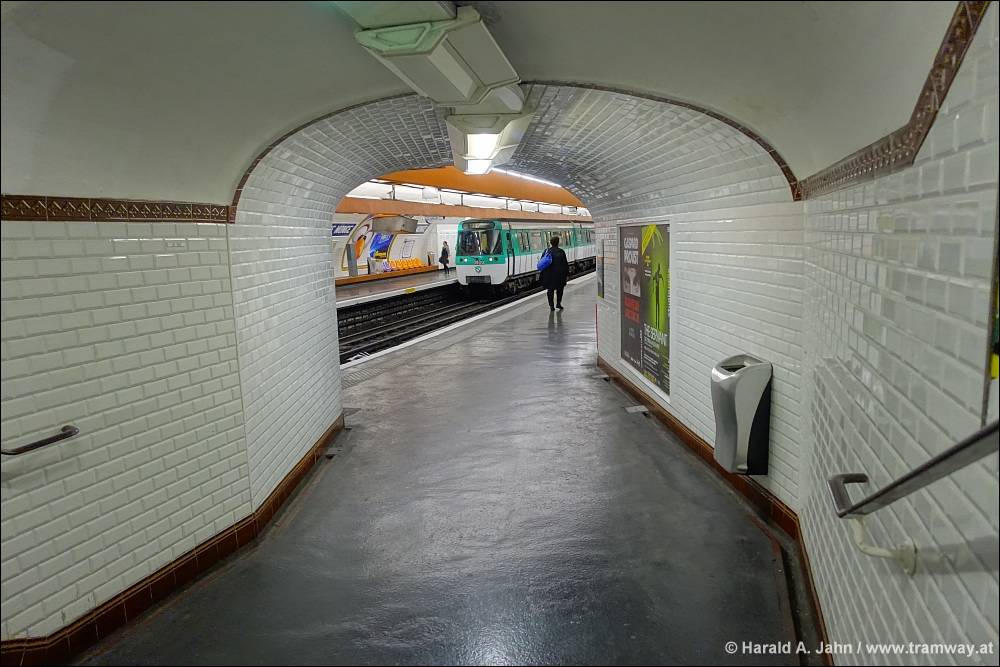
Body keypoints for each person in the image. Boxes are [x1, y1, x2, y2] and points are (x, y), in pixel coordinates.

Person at [540, 235, 569, 310]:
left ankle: (551, 306)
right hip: (559, 274)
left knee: (550, 290)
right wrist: (567, 274)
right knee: (560, 290)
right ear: (558, 243)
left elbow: (542, 262)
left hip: (548, 274)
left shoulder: (546, 251)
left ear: (550, 243)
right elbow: (565, 264)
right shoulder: (561, 251)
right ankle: (558, 303)